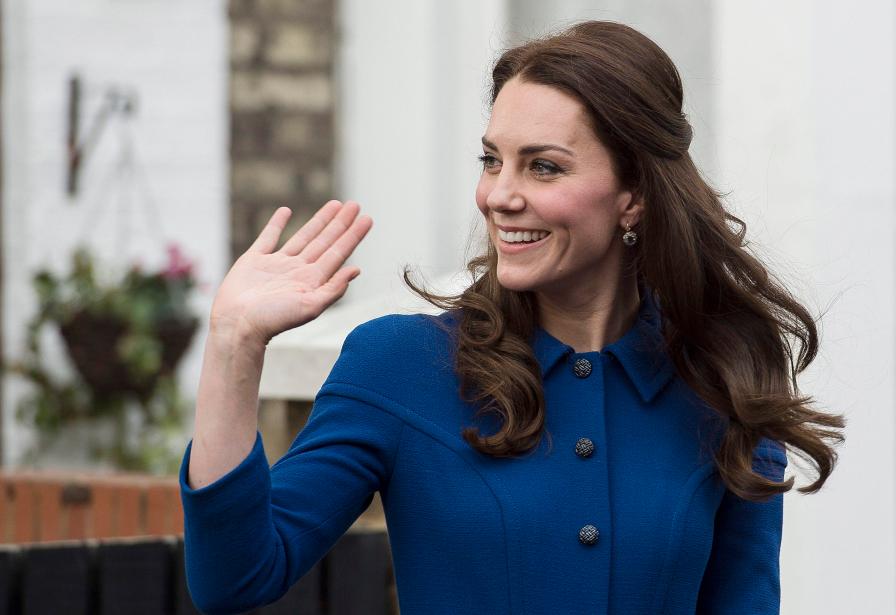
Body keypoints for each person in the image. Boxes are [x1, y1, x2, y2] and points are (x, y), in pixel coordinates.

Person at [180, 20, 845, 614]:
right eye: (492, 160)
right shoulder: (398, 366)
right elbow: (234, 577)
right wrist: (234, 344)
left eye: (544, 167)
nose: (500, 195)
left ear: (633, 196)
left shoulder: (721, 377)